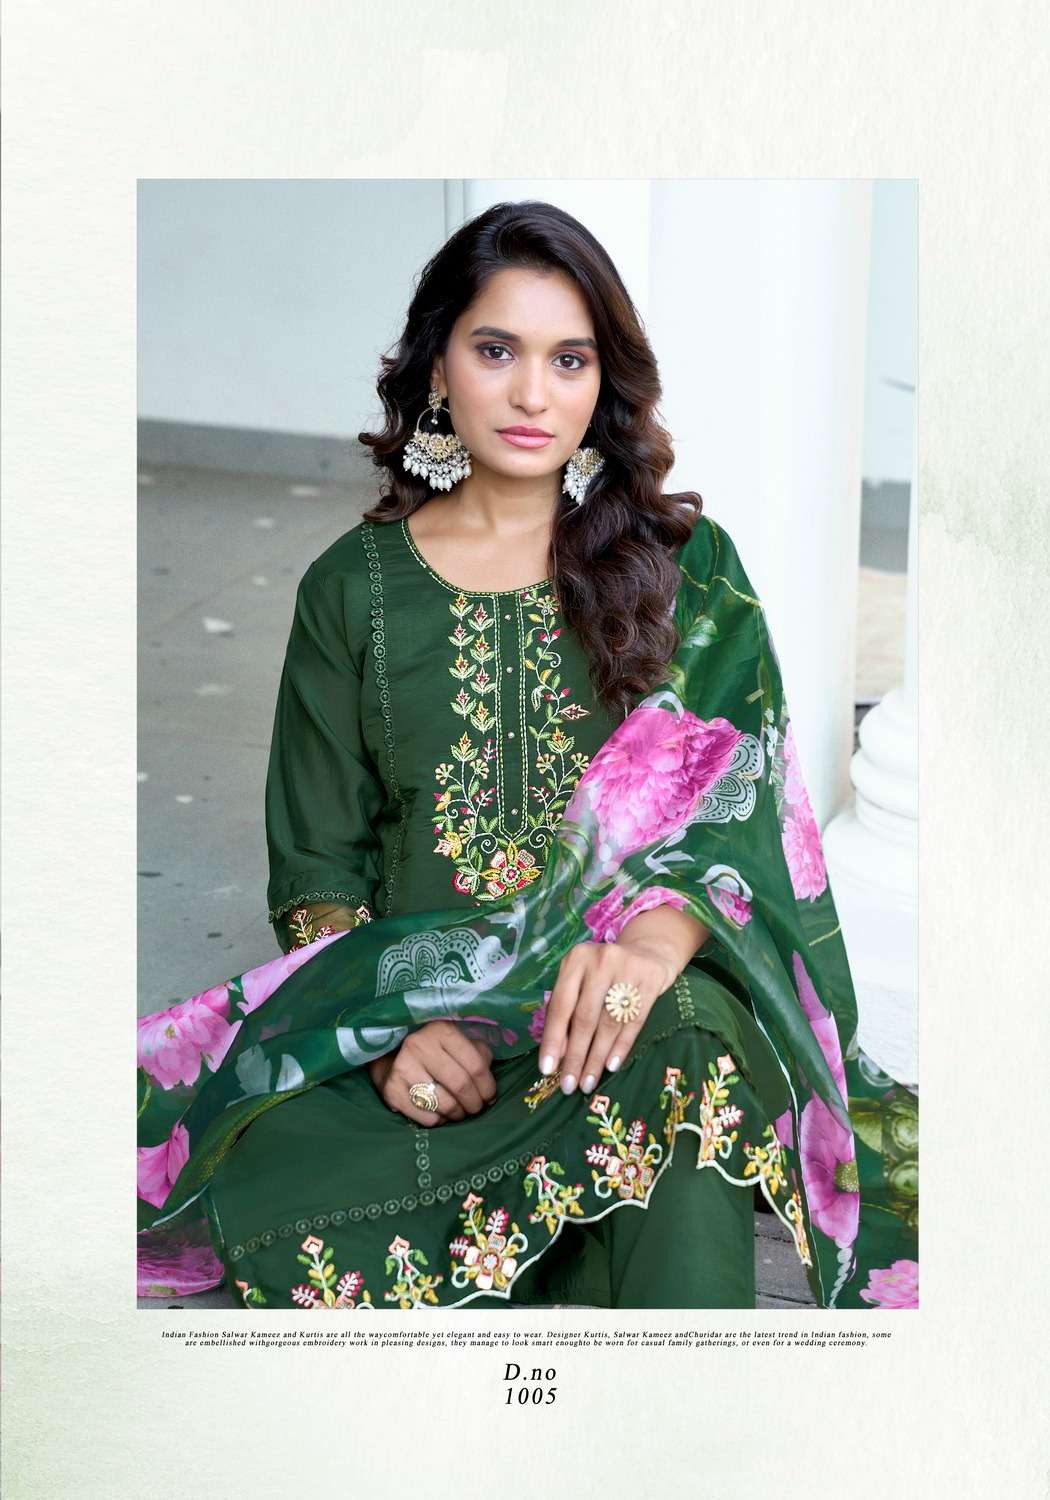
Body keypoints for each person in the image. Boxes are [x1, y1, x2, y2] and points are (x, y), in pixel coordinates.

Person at [137, 201, 919, 1312]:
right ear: (437, 366)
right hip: (427, 1019)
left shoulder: (685, 568)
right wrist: (388, 1036)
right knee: (271, 1159)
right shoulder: (350, 590)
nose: (533, 395)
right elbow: (316, 869)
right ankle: (564, 1260)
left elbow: (744, 809)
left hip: (626, 1015)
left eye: (570, 359)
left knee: (686, 1055)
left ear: (605, 383)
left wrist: (651, 948)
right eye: (497, 351)